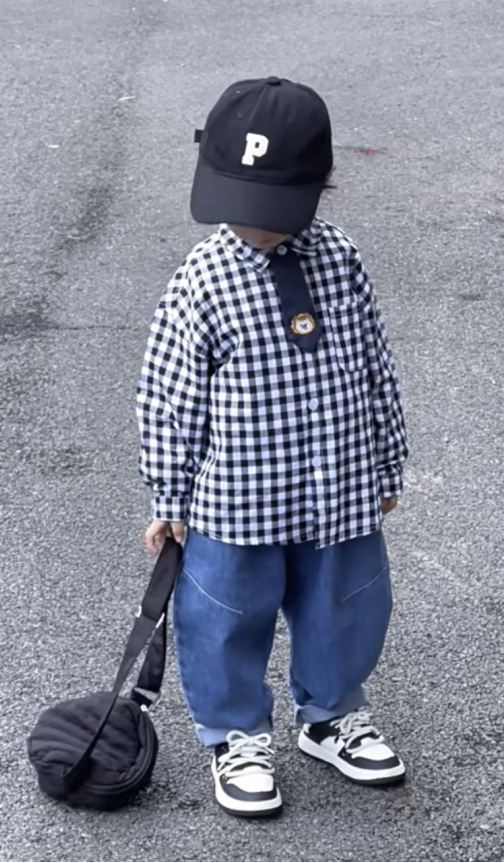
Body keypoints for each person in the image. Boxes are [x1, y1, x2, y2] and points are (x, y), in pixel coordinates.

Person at [136, 76, 408, 817]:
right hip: (235, 498)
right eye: (239, 203)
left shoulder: (341, 258)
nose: (255, 223)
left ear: (321, 181)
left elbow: (374, 364)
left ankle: (330, 716)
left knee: (346, 606)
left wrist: (386, 461)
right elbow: (168, 396)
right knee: (223, 617)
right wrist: (169, 496)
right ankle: (235, 735)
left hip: (340, 486)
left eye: (274, 205)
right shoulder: (202, 280)